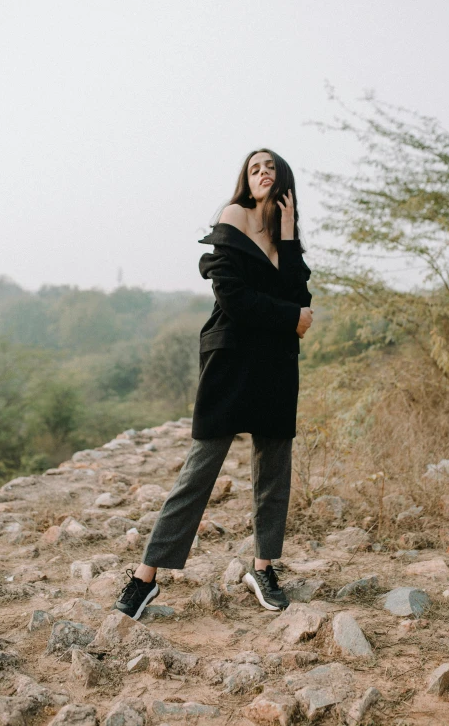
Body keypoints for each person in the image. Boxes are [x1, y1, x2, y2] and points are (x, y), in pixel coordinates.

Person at [113, 148, 313, 619]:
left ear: (283, 179)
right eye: (254, 168)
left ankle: (263, 568)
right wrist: (290, 317)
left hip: (276, 365)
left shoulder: (287, 236)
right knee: (199, 469)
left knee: (274, 469)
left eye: (271, 167)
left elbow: (299, 294)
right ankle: (146, 577)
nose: (263, 173)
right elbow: (236, 298)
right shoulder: (233, 216)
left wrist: (286, 238)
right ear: (246, 179)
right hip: (232, 360)